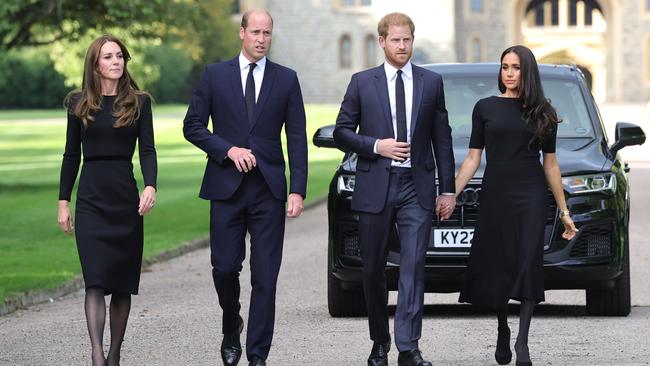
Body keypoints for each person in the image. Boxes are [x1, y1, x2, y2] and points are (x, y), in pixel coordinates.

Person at [183, 9, 307, 366]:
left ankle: (257, 356)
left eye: (267, 33)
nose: (261, 39)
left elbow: (296, 138)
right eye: (255, 32)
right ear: (242, 33)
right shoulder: (215, 75)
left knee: (266, 277)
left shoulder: (286, 80)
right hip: (226, 188)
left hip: (268, 191)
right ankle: (230, 324)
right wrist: (227, 150)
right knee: (224, 269)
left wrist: (297, 189)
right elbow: (192, 126)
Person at [333, 12, 456, 366]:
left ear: (412, 41)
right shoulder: (361, 82)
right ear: (382, 42)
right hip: (375, 185)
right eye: (396, 40)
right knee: (372, 269)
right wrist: (376, 146)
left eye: (407, 40)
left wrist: (446, 190)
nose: (402, 46)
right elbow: (342, 131)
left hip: (415, 188)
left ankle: (408, 346)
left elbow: (442, 141)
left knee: (413, 266)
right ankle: (379, 341)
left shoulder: (431, 82)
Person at [454, 45, 578, 366]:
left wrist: (564, 213)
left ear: (528, 72)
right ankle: (502, 327)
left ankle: (522, 341)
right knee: (501, 262)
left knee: (527, 261)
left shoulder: (544, 113)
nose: (509, 73)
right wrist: (451, 193)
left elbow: (551, 165)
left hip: (531, 193)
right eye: (505, 67)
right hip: (497, 192)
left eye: (516, 67)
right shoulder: (485, 108)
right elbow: (472, 158)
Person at [57, 35, 157, 366]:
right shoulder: (78, 103)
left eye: (119, 56)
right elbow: (71, 155)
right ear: (95, 64)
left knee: (122, 283)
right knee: (96, 280)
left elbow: (147, 150)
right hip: (91, 199)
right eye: (108, 57)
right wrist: (63, 201)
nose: (116, 61)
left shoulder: (140, 102)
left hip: (125, 199)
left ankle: (114, 355)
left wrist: (150, 186)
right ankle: (98, 356)